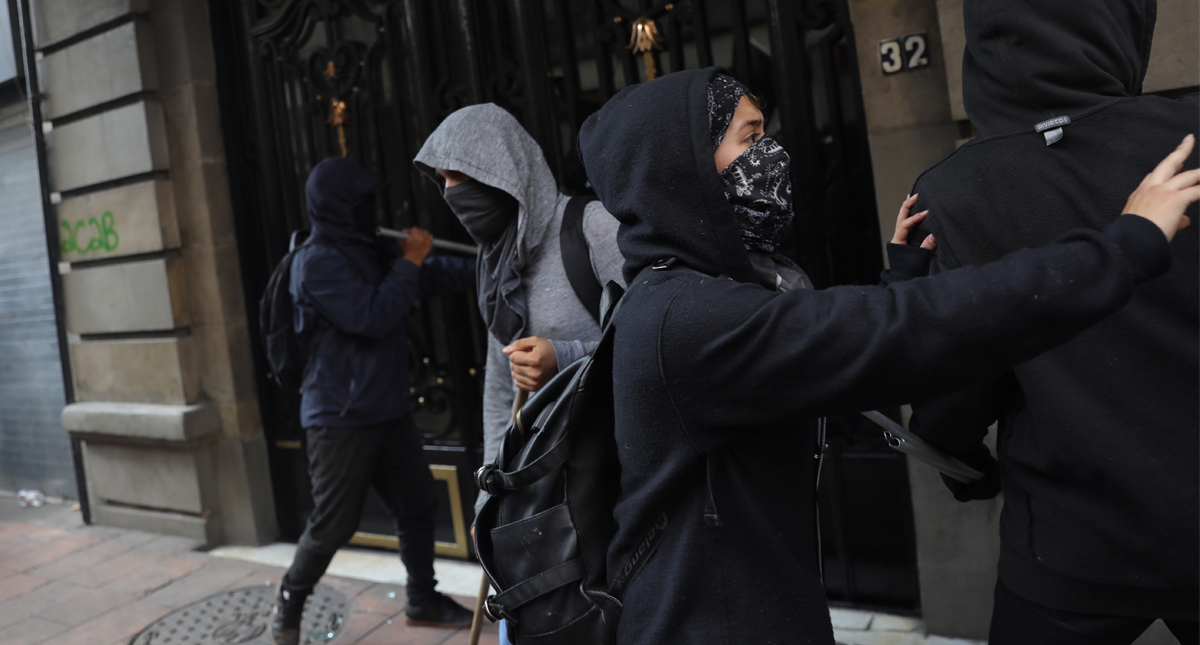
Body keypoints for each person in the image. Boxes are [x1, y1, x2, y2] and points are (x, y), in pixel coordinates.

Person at [575, 66, 1197, 644]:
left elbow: (857, 363)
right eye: (750, 136)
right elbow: (900, 333)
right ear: (682, 166)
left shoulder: (699, 295)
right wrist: (1122, 246)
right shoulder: (687, 319)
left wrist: (903, 278)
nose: (772, 154)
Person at [901, 1, 1199, 642]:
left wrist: (960, 461)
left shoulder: (955, 191)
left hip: (1067, 544)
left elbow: (955, 370)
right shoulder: (1191, 141)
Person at [270, 157, 478, 645]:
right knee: (332, 526)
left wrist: (484, 266)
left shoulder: (367, 247)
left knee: (418, 503)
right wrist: (409, 261)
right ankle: (290, 598)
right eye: (360, 201)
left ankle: (422, 597)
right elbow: (371, 315)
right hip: (340, 418)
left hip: (386, 407)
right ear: (338, 206)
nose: (370, 208)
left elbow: (420, 278)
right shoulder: (316, 261)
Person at [413, 103, 626, 519]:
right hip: (549, 494)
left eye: (461, 175)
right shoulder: (492, 261)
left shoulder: (594, 228)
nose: (451, 191)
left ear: (502, 169)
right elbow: (500, 390)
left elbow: (662, 339)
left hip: (621, 477)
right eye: (443, 180)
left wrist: (563, 360)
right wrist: (487, 500)